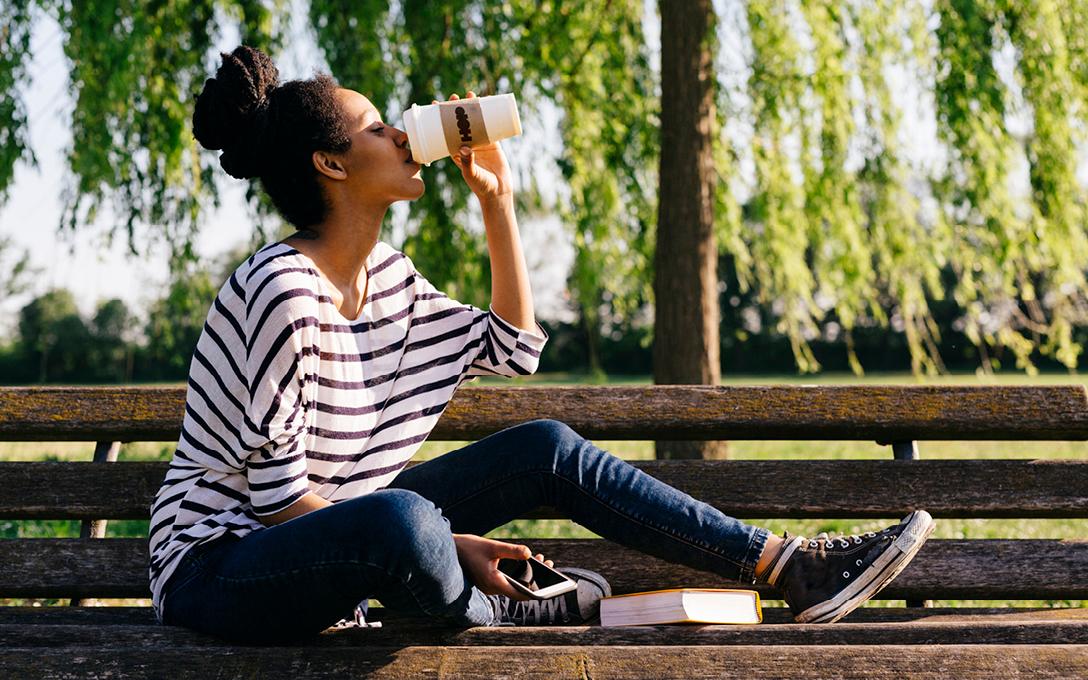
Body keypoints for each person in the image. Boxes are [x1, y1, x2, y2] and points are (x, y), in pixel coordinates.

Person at [149, 45, 935, 645]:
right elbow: (276, 498)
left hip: (342, 530)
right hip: (222, 566)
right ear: (331, 163)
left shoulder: (386, 275)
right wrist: (450, 545)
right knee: (402, 523)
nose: (400, 133)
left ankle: (788, 566)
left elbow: (510, 345)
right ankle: (490, 608)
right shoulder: (279, 291)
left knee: (544, 449)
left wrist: (499, 203)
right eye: (376, 127)